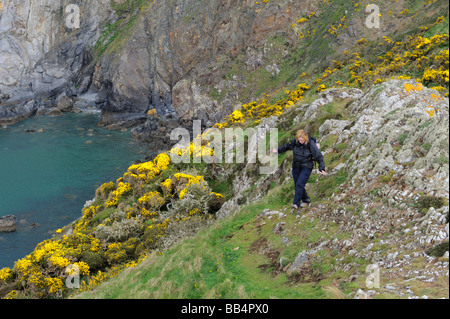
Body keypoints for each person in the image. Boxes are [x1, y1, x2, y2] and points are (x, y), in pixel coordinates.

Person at [273, 130, 326, 209]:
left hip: (307, 167)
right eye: (299, 140)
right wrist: (278, 150)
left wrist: (321, 167)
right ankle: (306, 199)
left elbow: (318, 155)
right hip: (296, 166)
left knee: (299, 184)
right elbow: (287, 146)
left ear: (305, 138)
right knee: (298, 183)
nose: (301, 141)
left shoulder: (311, 144)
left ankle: (296, 203)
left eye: (302, 140)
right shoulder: (295, 142)